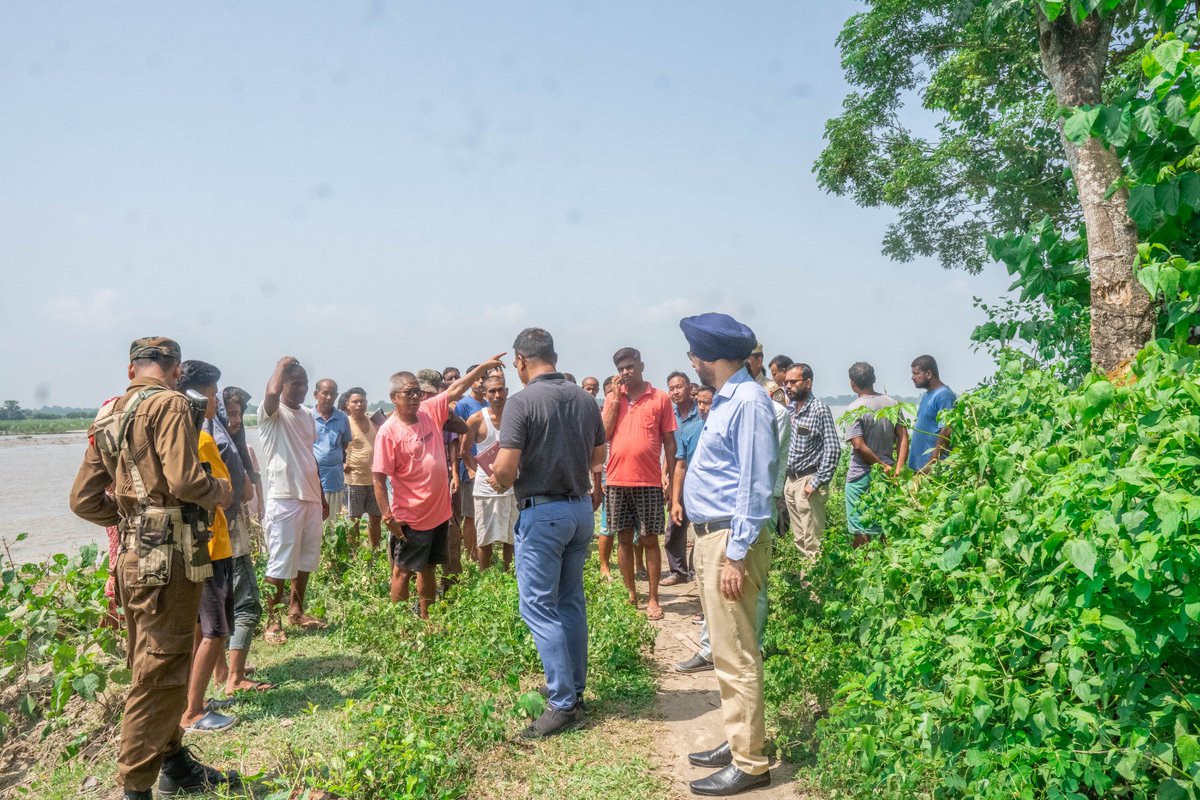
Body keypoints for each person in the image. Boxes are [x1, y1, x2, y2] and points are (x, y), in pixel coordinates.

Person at [69, 337, 237, 800]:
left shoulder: (110, 413)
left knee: (156, 660)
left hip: (134, 556)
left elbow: (82, 500)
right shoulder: (172, 405)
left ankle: (174, 763)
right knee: (159, 670)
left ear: (131, 371)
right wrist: (220, 491)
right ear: (176, 368)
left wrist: (133, 520)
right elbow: (185, 480)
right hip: (169, 557)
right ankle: (135, 787)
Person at [678, 313, 776, 796]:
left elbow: (756, 486)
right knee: (725, 647)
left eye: (693, 353)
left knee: (736, 652)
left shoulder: (750, 402)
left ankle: (751, 762)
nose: (691, 362)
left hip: (729, 542)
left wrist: (736, 555)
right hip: (714, 538)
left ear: (710, 356)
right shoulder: (728, 399)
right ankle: (739, 738)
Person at [491, 328, 606, 738]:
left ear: (521, 361)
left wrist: (497, 477)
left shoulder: (521, 403)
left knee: (539, 607)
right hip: (579, 510)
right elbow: (598, 457)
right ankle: (573, 687)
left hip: (544, 513)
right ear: (553, 356)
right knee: (570, 601)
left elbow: (505, 470)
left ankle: (561, 702)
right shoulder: (585, 399)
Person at [372, 359, 504, 617]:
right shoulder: (388, 432)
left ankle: (424, 617)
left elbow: (457, 388)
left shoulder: (428, 411)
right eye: (407, 393)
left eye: (416, 392)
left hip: (438, 513)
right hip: (410, 515)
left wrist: (483, 367)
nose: (414, 397)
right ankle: (398, 624)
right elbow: (379, 479)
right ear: (393, 397)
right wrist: (388, 517)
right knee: (402, 569)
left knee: (429, 567)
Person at [175, 360, 239, 734]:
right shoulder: (199, 439)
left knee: (202, 628)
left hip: (197, 545)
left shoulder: (184, 437)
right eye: (214, 393)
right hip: (211, 546)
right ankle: (193, 712)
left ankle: (191, 700)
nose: (216, 399)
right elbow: (222, 490)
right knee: (215, 630)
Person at [602, 347, 677, 621]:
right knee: (623, 539)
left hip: (649, 481)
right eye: (621, 368)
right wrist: (613, 399)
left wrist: (668, 476)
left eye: (630, 366)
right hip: (616, 480)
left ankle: (654, 598)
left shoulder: (660, 398)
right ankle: (631, 593)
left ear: (641, 366)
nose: (626, 372)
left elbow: (670, 441)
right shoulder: (614, 399)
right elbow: (605, 433)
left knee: (649, 540)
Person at [259, 357, 329, 645]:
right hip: (285, 497)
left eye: (304, 383)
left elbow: (309, 454)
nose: (301, 388)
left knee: (306, 559)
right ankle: (271, 621)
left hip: (310, 496)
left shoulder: (308, 415)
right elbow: (272, 394)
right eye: (295, 383)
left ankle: (296, 611)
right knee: (280, 562)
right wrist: (280, 365)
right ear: (284, 384)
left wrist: (321, 495)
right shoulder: (271, 414)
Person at [216, 389, 270, 695]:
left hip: (215, 537)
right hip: (228, 535)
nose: (235, 420)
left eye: (238, 414)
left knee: (219, 605)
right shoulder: (223, 445)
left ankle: (223, 671)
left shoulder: (208, 437)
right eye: (230, 414)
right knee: (246, 602)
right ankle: (235, 677)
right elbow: (246, 493)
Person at [780, 363, 841, 563]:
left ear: (808, 383)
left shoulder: (819, 409)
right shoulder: (790, 411)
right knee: (799, 540)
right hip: (791, 482)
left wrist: (815, 483)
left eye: (793, 382)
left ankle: (817, 592)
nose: (788, 386)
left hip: (808, 481)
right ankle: (807, 589)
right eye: (786, 382)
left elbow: (832, 448)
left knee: (813, 541)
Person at [845, 362, 909, 547]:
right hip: (888, 477)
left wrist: (882, 466)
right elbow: (903, 436)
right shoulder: (892, 404)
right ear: (874, 379)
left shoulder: (854, 408)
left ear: (852, 383)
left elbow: (858, 446)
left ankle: (862, 570)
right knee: (884, 525)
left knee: (860, 529)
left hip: (860, 476)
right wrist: (897, 469)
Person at [463, 373, 517, 569]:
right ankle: (485, 576)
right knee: (485, 537)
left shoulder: (516, 415)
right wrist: (476, 471)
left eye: (500, 390)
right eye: (492, 391)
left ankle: (508, 572)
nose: (497, 395)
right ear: (484, 394)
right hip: (485, 489)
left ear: (507, 392)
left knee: (511, 535)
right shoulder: (477, 419)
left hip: (512, 486)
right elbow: (464, 451)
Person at [662, 371, 702, 586]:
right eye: (671, 388)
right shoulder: (670, 413)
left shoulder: (703, 409)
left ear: (688, 387)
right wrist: (663, 475)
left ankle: (697, 570)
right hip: (678, 473)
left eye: (679, 386)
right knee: (675, 525)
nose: (675, 391)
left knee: (701, 526)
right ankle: (678, 571)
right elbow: (669, 448)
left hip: (699, 475)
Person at [453, 364, 488, 565]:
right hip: (471, 468)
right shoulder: (464, 406)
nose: (481, 382)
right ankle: (470, 554)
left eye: (484, 378)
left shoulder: (491, 404)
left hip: (490, 468)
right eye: (477, 378)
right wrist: (468, 468)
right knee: (471, 514)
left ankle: (484, 551)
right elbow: (459, 440)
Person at [342, 387, 382, 550]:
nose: (359, 404)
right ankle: (354, 554)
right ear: (348, 405)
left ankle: (374, 552)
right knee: (354, 520)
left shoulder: (374, 421)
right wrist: (342, 463)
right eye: (355, 402)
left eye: (362, 401)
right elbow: (335, 446)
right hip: (354, 480)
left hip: (375, 480)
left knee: (376, 518)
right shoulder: (345, 423)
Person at [908, 354, 956, 472]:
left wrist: (932, 462)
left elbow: (946, 430)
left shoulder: (944, 395)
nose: (912, 378)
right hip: (920, 467)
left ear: (928, 374)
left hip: (933, 469)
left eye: (916, 373)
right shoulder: (927, 395)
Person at [313, 378, 351, 520]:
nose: (329, 397)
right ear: (316, 394)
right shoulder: (308, 417)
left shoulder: (342, 418)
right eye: (325, 393)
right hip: (314, 480)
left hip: (335, 479)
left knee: (333, 522)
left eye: (333, 394)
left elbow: (345, 444)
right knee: (315, 522)